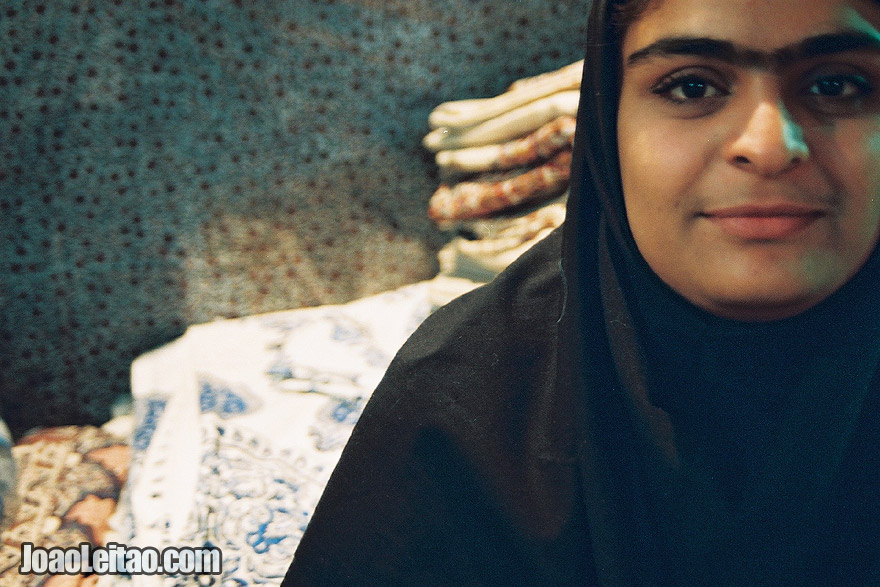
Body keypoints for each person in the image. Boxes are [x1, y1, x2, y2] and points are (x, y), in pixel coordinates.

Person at [283, 0, 880, 584]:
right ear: (606, 123)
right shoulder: (461, 420)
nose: (771, 146)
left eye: (836, 86)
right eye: (692, 88)